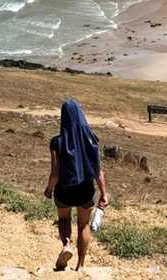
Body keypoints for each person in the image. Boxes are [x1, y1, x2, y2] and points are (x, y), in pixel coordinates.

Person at [44, 99, 109, 271]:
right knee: (84, 225)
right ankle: (80, 264)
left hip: (64, 190)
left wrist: (49, 189)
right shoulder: (92, 139)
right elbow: (98, 170)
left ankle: (66, 245)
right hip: (86, 190)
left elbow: (56, 172)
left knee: (64, 218)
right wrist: (104, 193)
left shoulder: (56, 142)